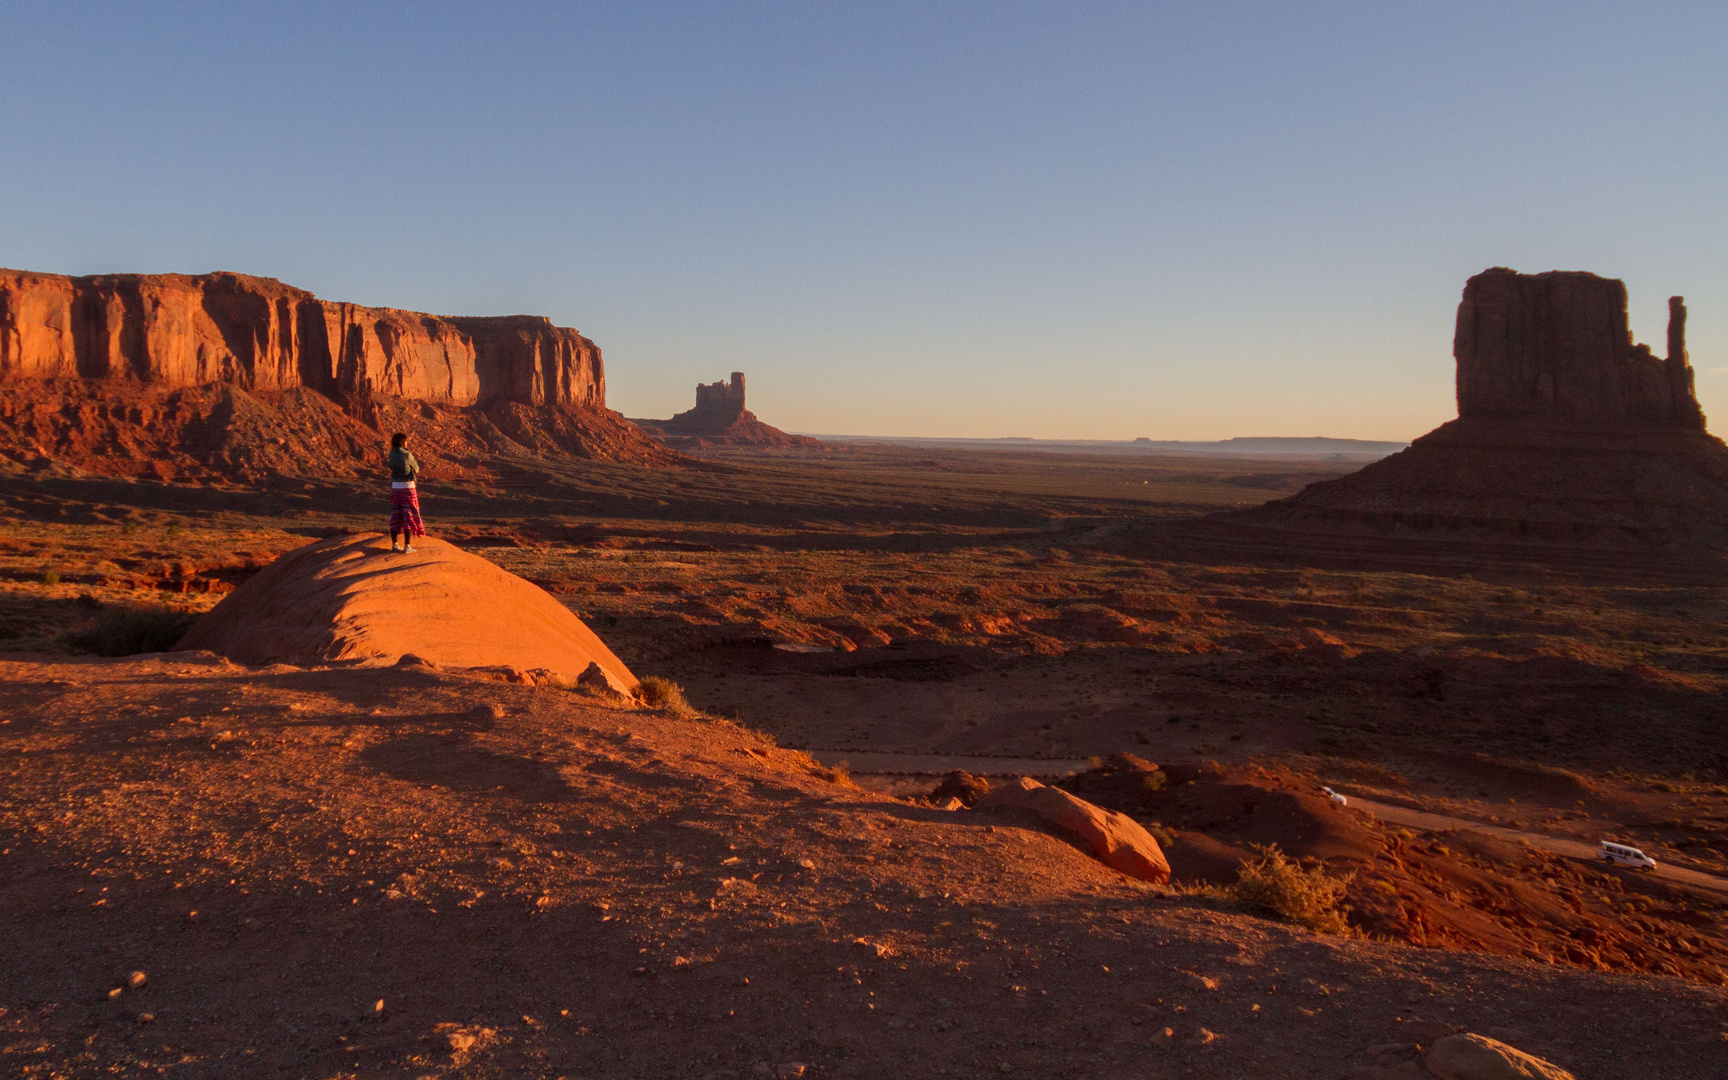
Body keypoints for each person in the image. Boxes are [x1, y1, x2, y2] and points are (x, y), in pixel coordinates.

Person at [386, 432, 425, 553]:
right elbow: (417, 469)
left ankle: (395, 544)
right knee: (408, 515)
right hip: (408, 486)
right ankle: (407, 546)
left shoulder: (391, 454)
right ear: (403, 442)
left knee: (395, 514)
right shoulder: (407, 455)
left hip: (395, 487)